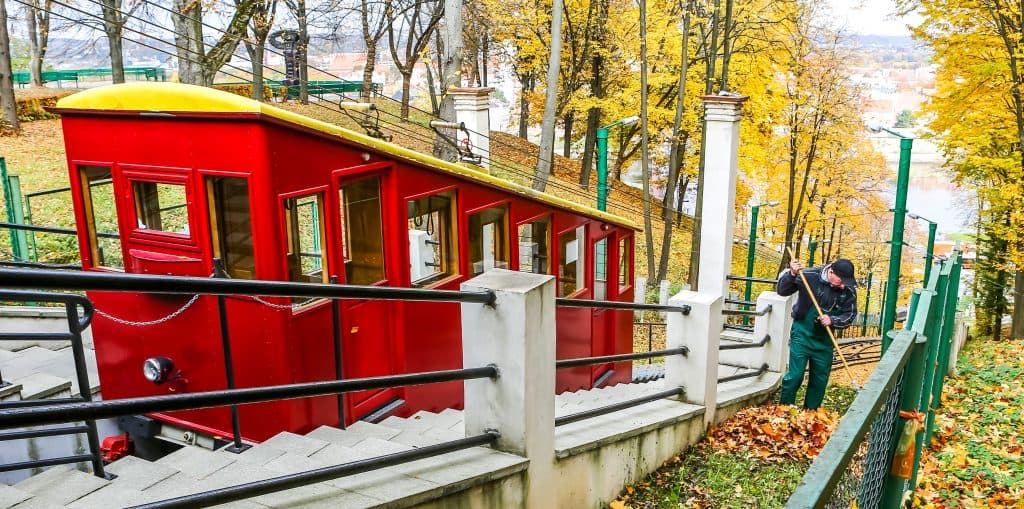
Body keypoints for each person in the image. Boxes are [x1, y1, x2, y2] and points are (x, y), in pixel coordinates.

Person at [776, 257, 858, 409]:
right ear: (831, 272)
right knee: (795, 376)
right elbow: (782, 291)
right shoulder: (809, 276)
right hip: (802, 333)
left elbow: (850, 314)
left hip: (825, 340)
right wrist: (792, 274)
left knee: (819, 380)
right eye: (841, 280)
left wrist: (833, 320)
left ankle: (811, 415)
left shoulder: (849, 290)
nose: (843, 285)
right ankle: (784, 411)